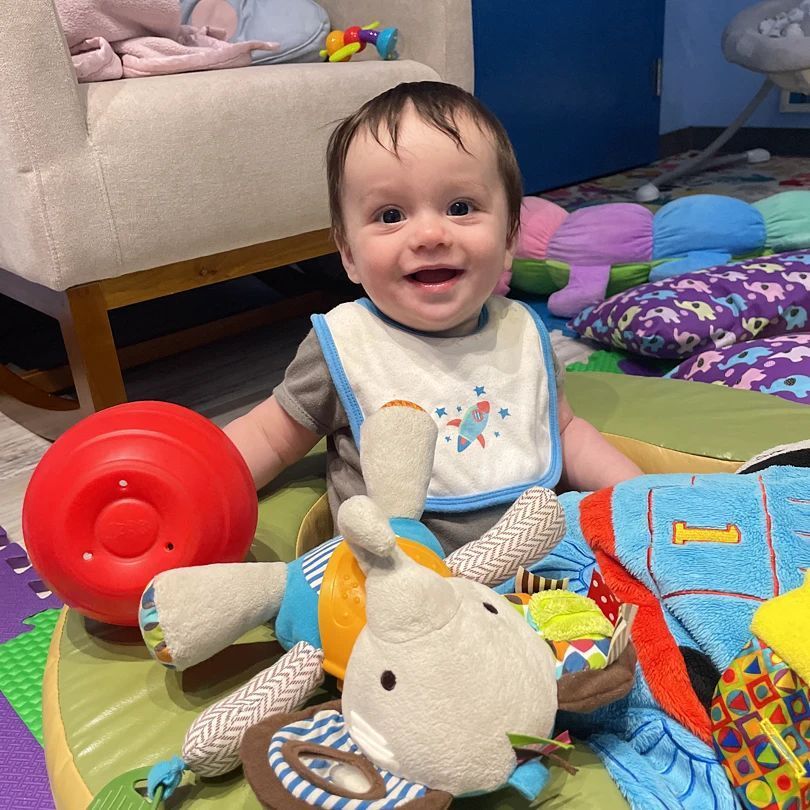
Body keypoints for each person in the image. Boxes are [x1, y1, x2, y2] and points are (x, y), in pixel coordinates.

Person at [225, 81, 642, 552]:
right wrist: (201, 484)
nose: (428, 233)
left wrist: (638, 496)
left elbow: (564, 432)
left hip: (542, 562)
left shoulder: (522, 332)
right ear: (348, 255)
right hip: (407, 586)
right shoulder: (344, 345)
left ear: (509, 240)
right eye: (389, 215)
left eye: (459, 207)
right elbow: (270, 437)